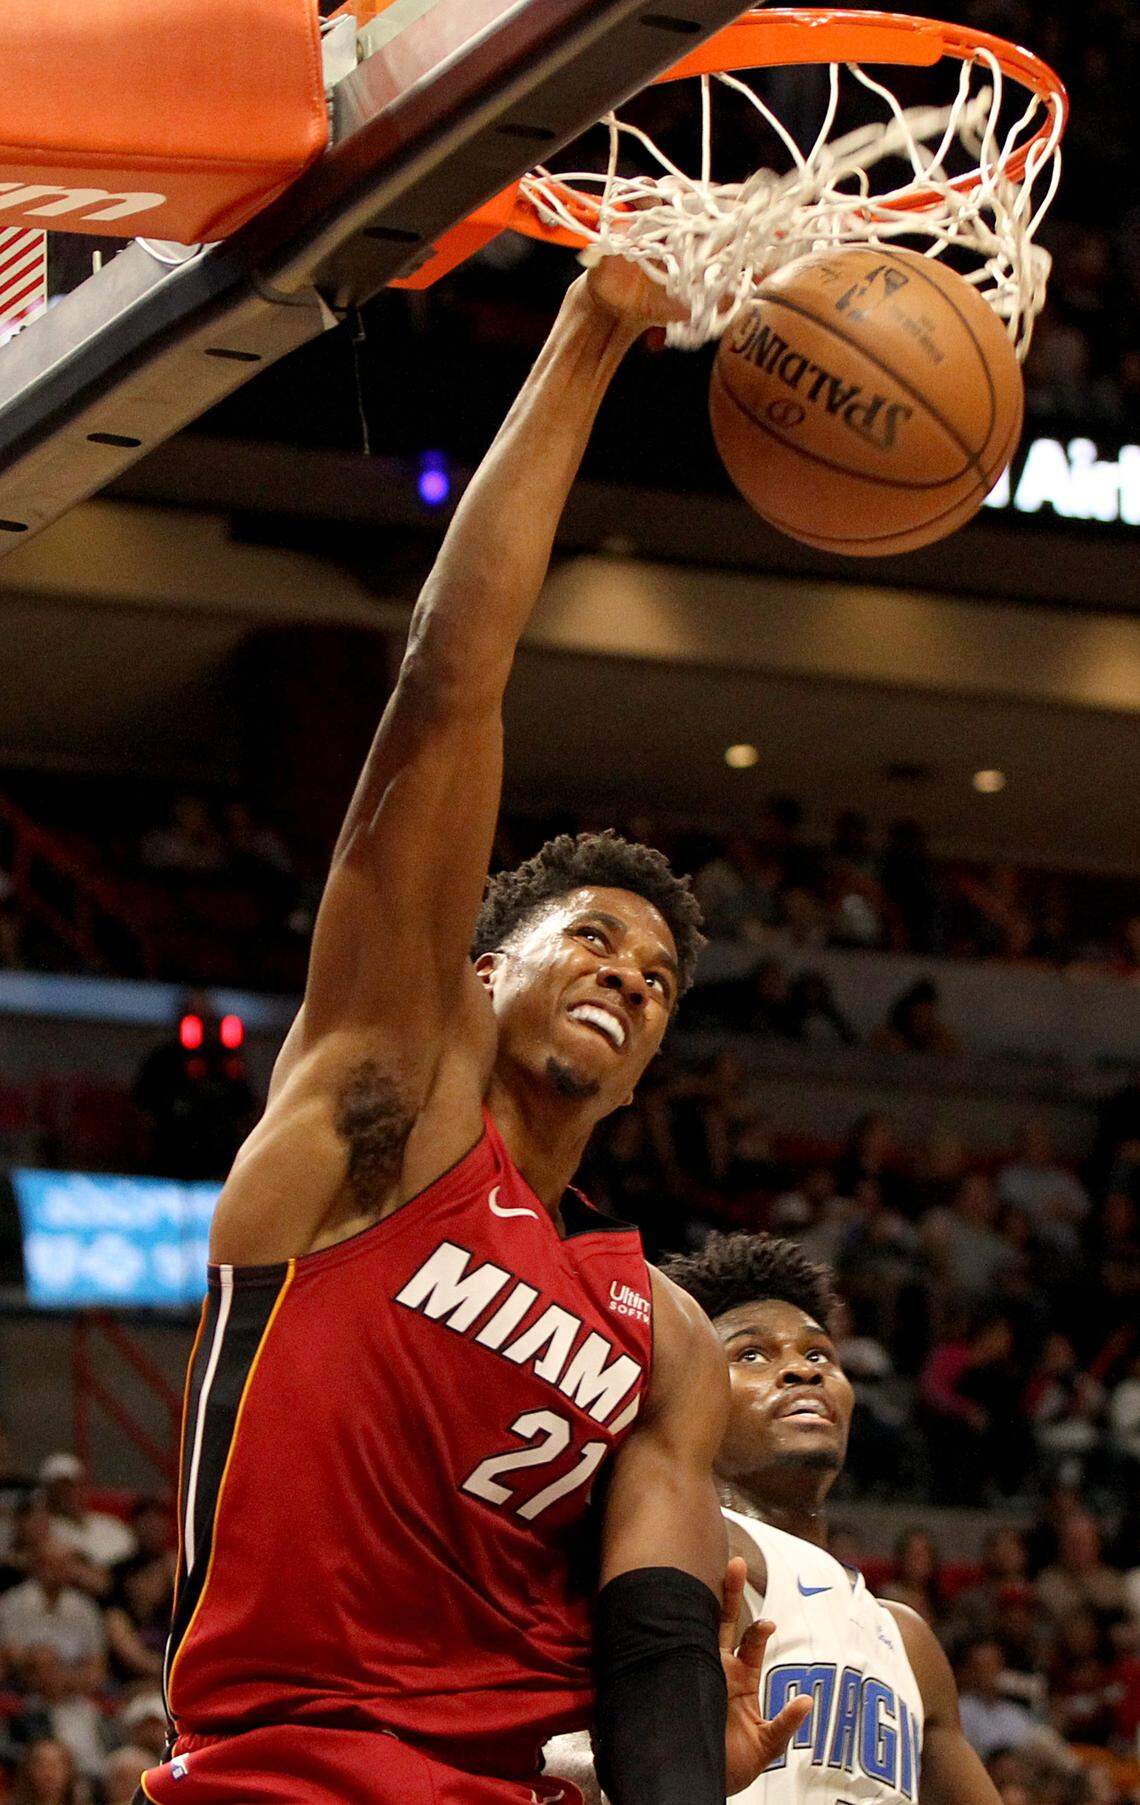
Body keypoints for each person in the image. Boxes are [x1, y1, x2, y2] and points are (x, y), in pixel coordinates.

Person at [137, 263, 801, 1805]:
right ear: (483, 968)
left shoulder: (670, 1337)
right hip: (277, 1774)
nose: (629, 980)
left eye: (656, 984)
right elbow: (447, 686)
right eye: (592, 939)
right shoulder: (380, 1104)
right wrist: (594, 331)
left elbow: (649, 1641)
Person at [545, 1232, 1006, 1802]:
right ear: (687, 1390)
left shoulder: (906, 1640)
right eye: (752, 1354)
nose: (802, 1372)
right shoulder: (651, 1551)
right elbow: (556, 1761)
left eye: (818, 1355)